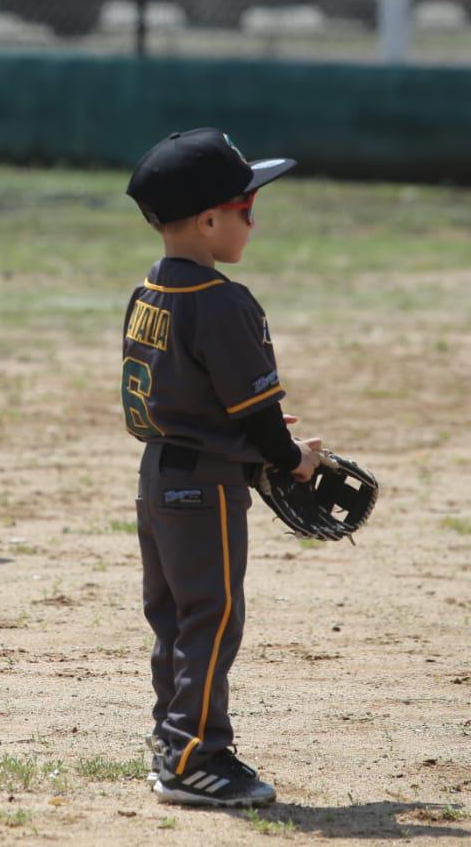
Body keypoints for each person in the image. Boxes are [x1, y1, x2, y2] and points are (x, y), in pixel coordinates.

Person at [120, 128, 321, 808]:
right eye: (245, 208)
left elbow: (186, 391)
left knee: (176, 617)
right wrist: (292, 460)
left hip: (157, 475)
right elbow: (262, 419)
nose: (252, 221)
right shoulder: (224, 301)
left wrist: (246, 433)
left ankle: (170, 737)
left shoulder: (149, 290)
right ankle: (195, 756)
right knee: (213, 615)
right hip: (204, 485)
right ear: (209, 221)